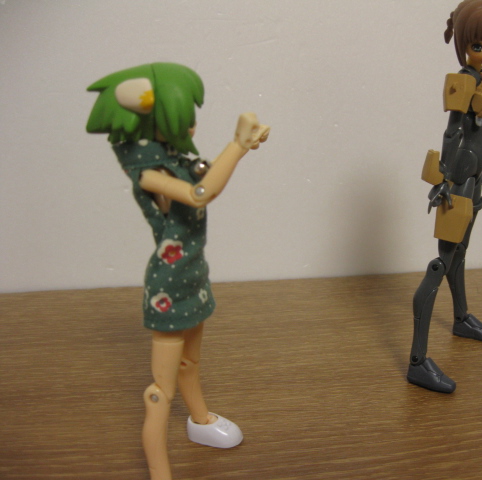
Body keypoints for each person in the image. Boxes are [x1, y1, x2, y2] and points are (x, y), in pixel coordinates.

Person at [86, 62, 269, 480]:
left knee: (191, 362)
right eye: (181, 118)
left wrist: (239, 148)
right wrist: (237, 146)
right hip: (168, 286)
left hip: (193, 275)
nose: (190, 126)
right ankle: (160, 472)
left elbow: (203, 178)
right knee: (159, 392)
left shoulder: (173, 160)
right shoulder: (150, 174)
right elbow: (199, 193)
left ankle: (200, 420)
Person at [407, 0, 482, 393]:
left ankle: (461, 317)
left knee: (460, 253)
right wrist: (447, 180)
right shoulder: (463, 82)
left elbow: (479, 131)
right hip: (457, 184)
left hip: (474, 180)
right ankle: (418, 361)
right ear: (464, 43)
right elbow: (453, 132)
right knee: (442, 263)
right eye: (479, 45)